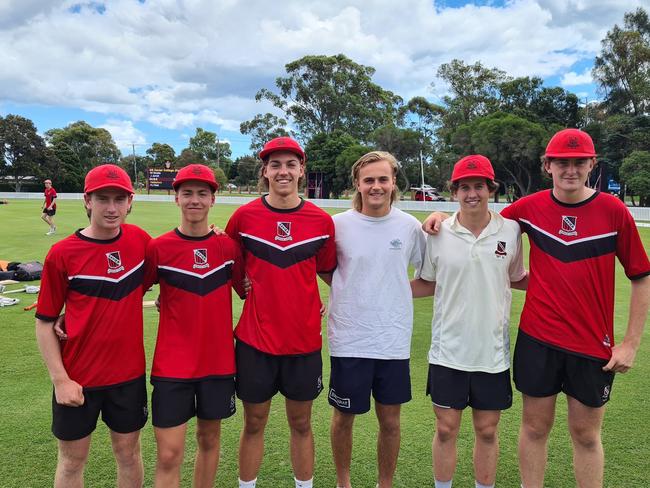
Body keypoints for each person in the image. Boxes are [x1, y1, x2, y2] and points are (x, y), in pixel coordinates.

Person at [422, 129, 650, 488]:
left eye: (579, 162)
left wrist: (631, 343)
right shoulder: (527, 209)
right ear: (548, 165)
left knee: (586, 435)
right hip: (538, 340)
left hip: (592, 343)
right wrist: (439, 214)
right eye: (562, 162)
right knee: (534, 429)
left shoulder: (613, 211)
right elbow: (476, 215)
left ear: (592, 163)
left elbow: (640, 276)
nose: (570, 170)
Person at [225, 137, 337, 488]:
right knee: (254, 422)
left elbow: (330, 273)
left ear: (302, 170)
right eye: (275, 165)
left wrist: (328, 301)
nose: (283, 171)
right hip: (254, 342)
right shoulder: (243, 217)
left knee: (301, 423)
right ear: (265, 172)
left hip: (303, 342)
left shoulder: (321, 221)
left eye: (291, 164)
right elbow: (229, 265)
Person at [411, 155, 528, 488]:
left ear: (491, 189)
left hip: (492, 352)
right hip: (448, 350)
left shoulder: (510, 230)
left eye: (479, 186)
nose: (472, 193)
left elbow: (516, 276)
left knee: (487, 430)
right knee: (446, 429)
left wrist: (565, 284)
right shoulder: (438, 232)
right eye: (465, 187)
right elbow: (428, 283)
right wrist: (381, 292)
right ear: (454, 191)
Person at [35, 164, 150, 488]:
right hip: (77, 379)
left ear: (130, 201)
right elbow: (44, 323)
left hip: (128, 377)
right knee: (72, 462)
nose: (111, 208)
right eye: (103, 199)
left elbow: (172, 268)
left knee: (129, 455)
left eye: (119, 199)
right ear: (87, 201)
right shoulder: (62, 254)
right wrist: (60, 381)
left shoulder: (141, 242)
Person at [321, 151, 425, 488]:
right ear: (357, 184)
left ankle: (385, 484)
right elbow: (324, 269)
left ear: (394, 182)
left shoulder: (410, 227)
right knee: (344, 418)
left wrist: (391, 292)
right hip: (349, 337)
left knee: (391, 422)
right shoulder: (337, 225)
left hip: (392, 339)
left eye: (383, 179)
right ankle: (343, 482)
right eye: (369, 180)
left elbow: (429, 277)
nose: (376, 186)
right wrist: (351, 289)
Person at [145, 164, 245, 487]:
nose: (194, 200)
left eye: (203, 193)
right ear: (176, 198)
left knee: (209, 441)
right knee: (169, 455)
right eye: (187, 193)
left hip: (217, 364)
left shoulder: (228, 247)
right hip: (172, 366)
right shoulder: (158, 249)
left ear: (213, 200)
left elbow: (252, 289)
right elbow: (125, 292)